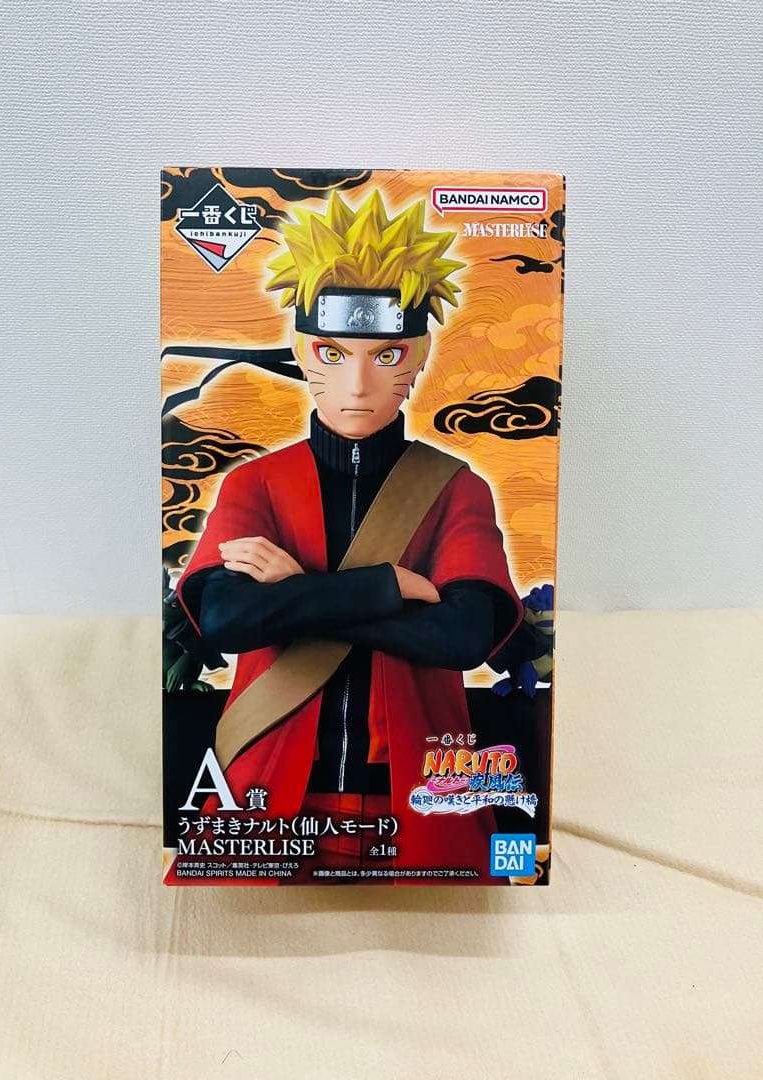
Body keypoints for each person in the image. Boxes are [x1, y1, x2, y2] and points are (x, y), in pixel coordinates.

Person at [177, 190, 522, 878]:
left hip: (423, 796)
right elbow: (225, 618)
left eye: (386, 354)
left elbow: (463, 636)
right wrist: (387, 587)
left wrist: (298, 592)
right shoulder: (254, 484)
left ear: (419, 356)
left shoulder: (456, 488)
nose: (358, 384)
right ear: (301, 351)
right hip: (266, 786)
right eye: (332, 353)